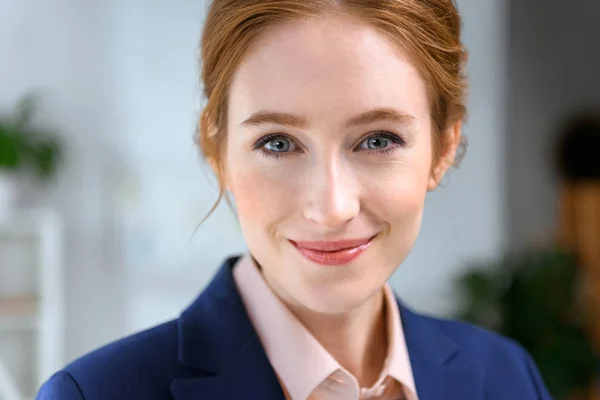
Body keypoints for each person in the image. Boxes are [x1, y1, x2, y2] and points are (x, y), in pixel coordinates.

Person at [36, 0, 553, 399]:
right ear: (217, 151)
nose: (331, 208)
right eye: (277, 143)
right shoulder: (95, 393)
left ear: (442, 147)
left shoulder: (506, 377)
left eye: (377, 140)